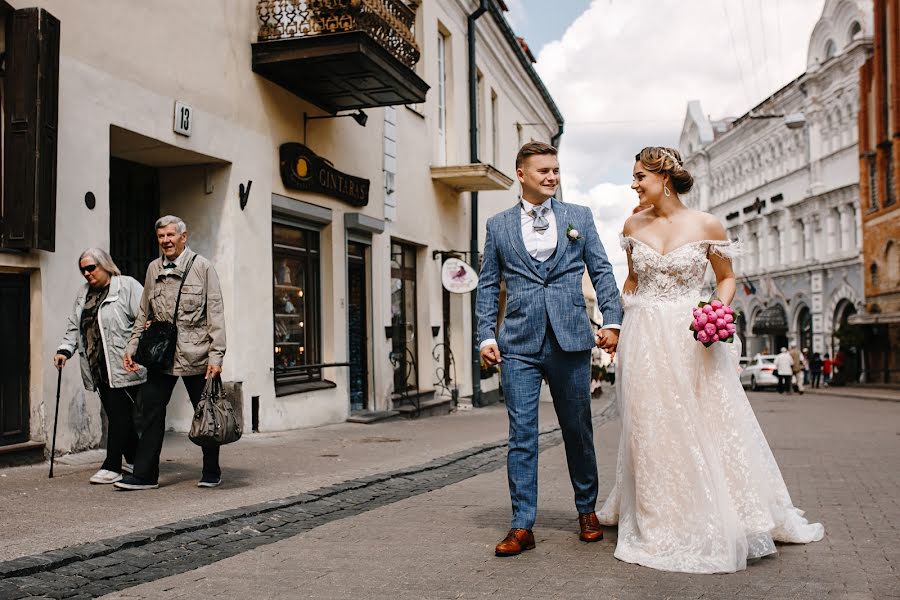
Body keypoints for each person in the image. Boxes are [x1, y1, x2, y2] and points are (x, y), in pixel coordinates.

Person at [598, 147, 823, 574]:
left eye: (639, 176)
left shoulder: (707, 224)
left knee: (704, 417)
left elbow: (726, 278)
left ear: (663, 178)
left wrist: (715, 311)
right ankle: (656, 512)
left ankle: (723, 507)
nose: (634, 184)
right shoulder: (631, 224)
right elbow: (631, 278)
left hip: (691, 334)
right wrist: (620, 322)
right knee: (650, 423)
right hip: (645, 335)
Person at [476, 141, 622, 556]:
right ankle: (522, 525)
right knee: (521, 435)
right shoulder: (499, 225)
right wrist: (487, 335)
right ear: (521, 174)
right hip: (519, 344)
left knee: (578, 430)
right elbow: (488, 284)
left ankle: (586, 510)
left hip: (571, 339)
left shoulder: (579, 217)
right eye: (543, 171)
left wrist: (612, 321)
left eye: (556, 170)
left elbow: (602, 270)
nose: (552, 177)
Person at [116, 215, 226, 490]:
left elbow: (215, 313)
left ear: (183, 237)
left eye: (170, 236)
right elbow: (144, 313)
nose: (165, 241)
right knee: (150, 411)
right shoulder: (154, 268)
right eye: (161, 237)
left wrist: (217, 356)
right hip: (161, 355)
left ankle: (211, 470)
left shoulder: (203, 267)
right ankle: (145, 475)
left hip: (197, 354)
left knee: (206, 412)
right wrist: (132, 347)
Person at [54, 249, 145, 484]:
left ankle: (112, 465)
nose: (86, 273)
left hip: (124, 364)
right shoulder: (84, 293)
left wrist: (135, 350)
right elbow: (75, 326)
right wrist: (65, 349)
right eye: (83, 269)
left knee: (118, 416)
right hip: (98, 367)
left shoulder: (126, 286)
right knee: (117, 414)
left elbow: (146, 319)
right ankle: (136, 458)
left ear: (105, 265)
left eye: (91, 267)